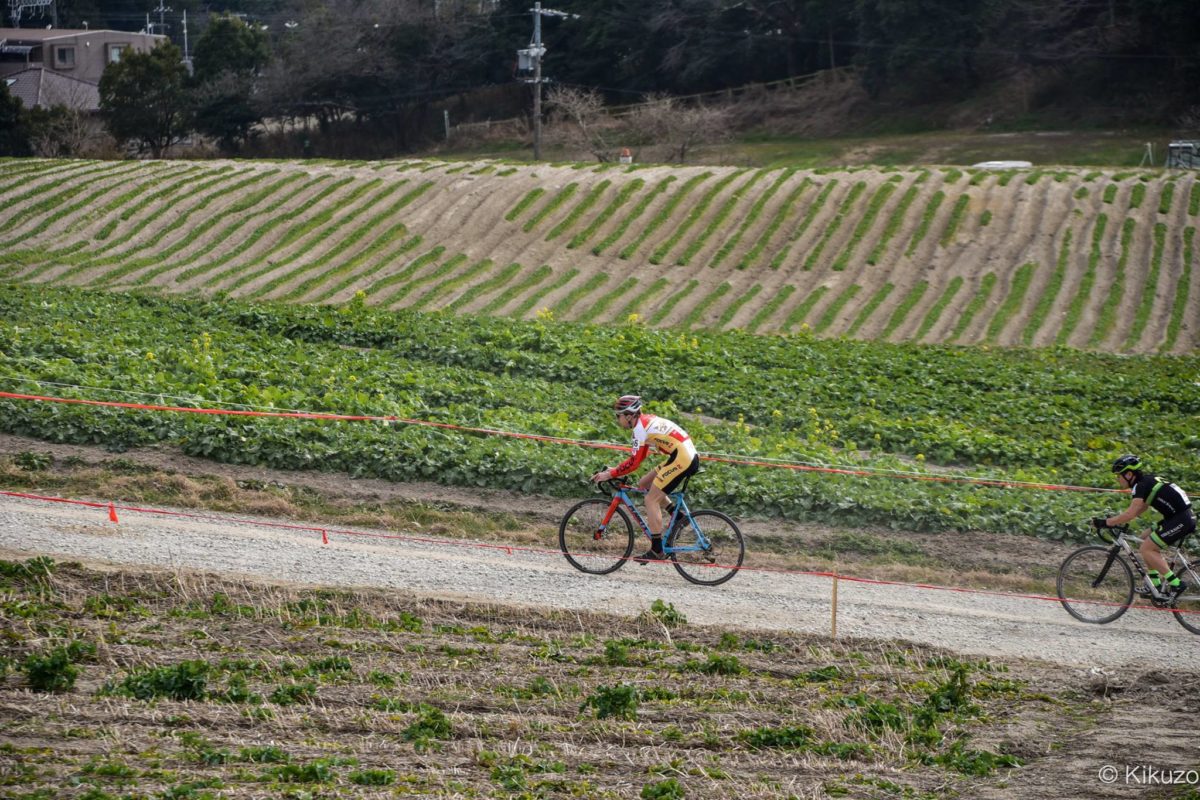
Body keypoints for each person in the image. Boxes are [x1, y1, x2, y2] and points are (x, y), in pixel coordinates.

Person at [591, 395, 700, 563]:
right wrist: (615, 471)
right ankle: (678, 517)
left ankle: (657, 550)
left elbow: (634, 463)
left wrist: (609, 474)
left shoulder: (640, 429)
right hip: (682, 455)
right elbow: (638, 458)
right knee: (644, 484)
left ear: (629, 415)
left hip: (683, 458)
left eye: (618, 415)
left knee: (651, 499)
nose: (617, 419)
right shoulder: (645, 422)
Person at [1092, 454, 1195, 598]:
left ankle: (1177, 584)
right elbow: (1142, 507)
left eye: (1118, 475)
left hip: (1181, 519)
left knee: (1147, 548)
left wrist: (1106, 522)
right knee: (1144, 538)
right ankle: (1155, 585)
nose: (1117, 479)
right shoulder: (1146, 482)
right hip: (1178, 517)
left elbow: (1131, 513)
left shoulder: (1139, 486)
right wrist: (1121, 521)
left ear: (1129, 474)